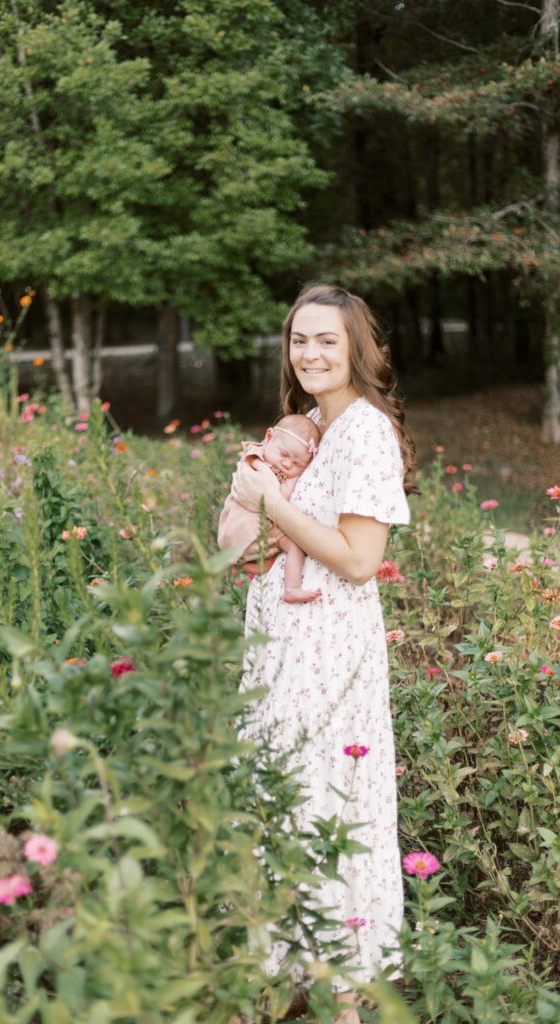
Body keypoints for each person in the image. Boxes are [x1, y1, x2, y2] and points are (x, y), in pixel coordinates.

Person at [232, 283, 416, 1024]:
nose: (310, 353)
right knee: (283, 808)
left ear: (355, 350)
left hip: (330, 656)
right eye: (298, 340)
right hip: (282, 650)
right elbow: (251, 544)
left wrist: (270, 505)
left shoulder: (365, 432)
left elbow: (357, 559)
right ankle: (280, 988)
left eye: (326, 341)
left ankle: (342, 1005)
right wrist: (246, 506)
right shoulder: (304, 427)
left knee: (327, 810)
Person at [217, 414, 322, 603]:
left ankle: (286, 585)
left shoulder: (279, 465)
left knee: (294, 547)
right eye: (283, 454)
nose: (287, 464)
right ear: (268, 437)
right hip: (244, 522)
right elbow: (272, 495)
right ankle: (290, 587)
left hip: (265, 527)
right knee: (296, 546)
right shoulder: (255, 458)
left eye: (298, 463)